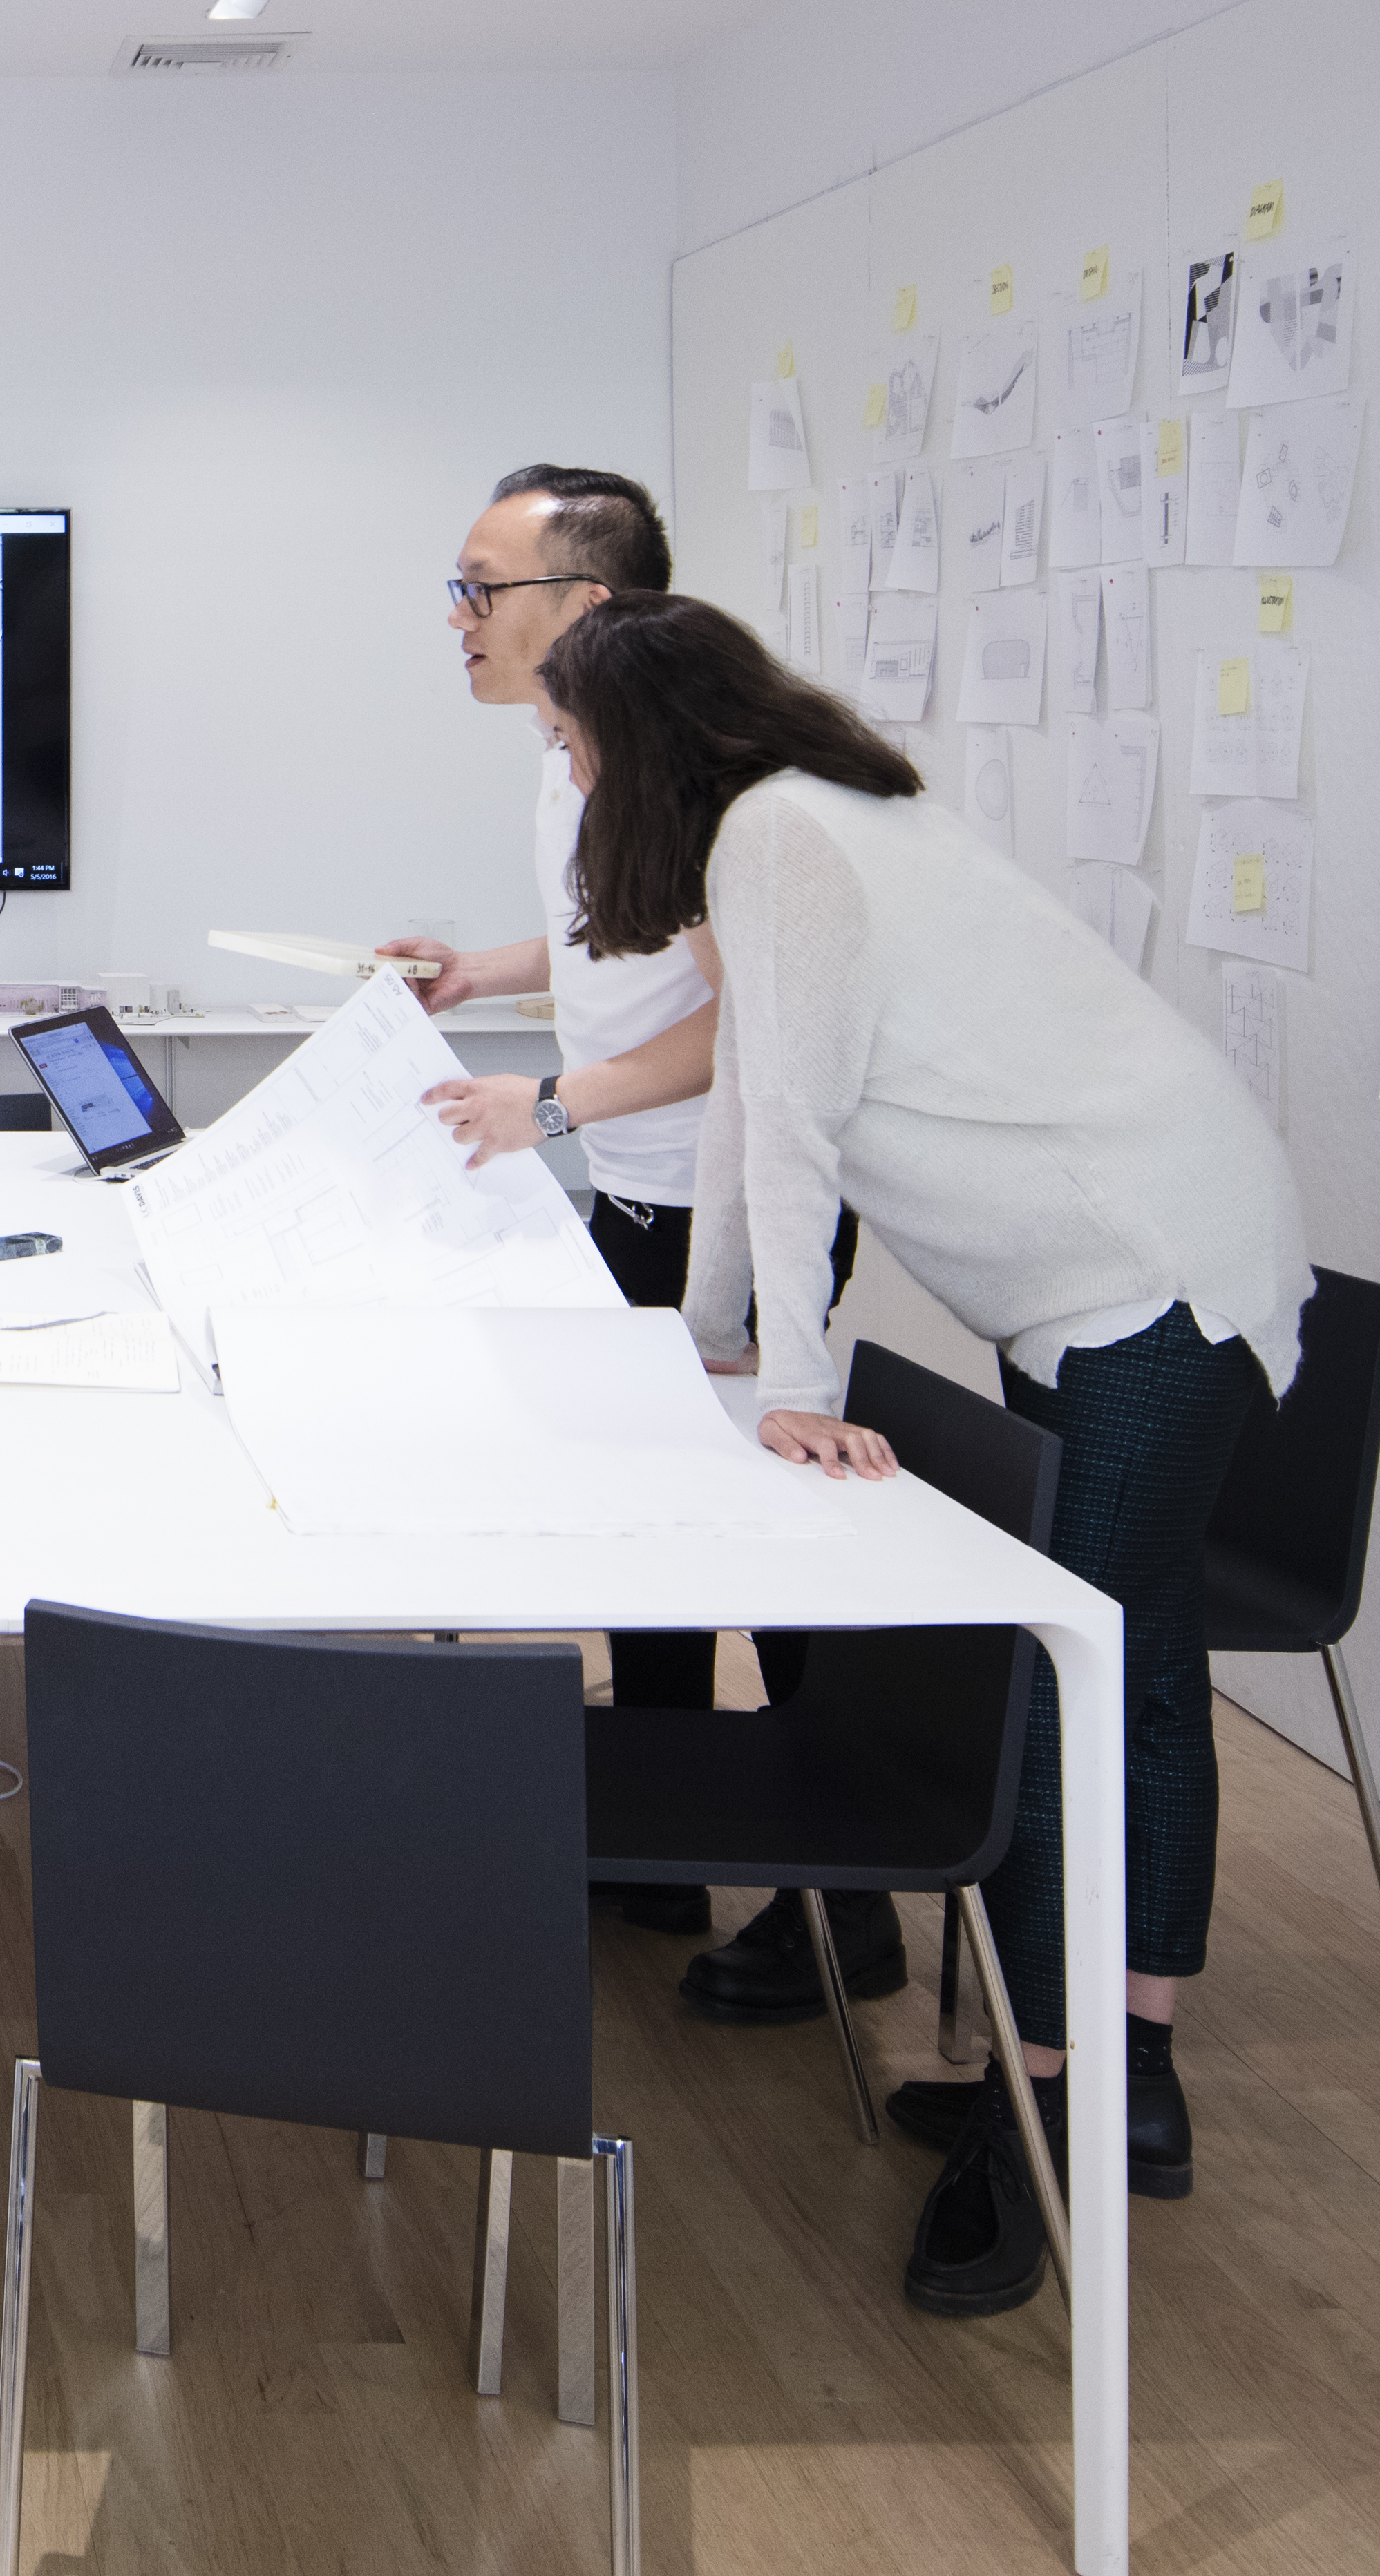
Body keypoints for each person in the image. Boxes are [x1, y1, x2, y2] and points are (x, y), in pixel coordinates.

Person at [532, 592, 1309, 2318]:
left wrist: (790, 1377)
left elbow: (793, 1127)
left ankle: (1050, 2112)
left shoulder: (779, 836)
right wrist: (714, 1332)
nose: (568, 780)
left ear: (642, 749)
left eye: (573, 746)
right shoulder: (800, 818)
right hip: (1114, 1270)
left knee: (1072, 1685)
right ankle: (1118, 2076)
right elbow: (751, 1091)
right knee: (1126, 1671)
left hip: (1151, 1273)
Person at [377, 465, 855, 1996]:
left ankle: (846, 1902)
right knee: (650, 1530)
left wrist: (552, 1102)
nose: (458, 616)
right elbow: (615, 931)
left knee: (773, 1554)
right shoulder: (565, 750)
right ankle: (656, 1851)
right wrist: (481, 971)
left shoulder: (688, 777)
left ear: (584, 605)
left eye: (482, 587)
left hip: (729, 1204)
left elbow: (753, 1017)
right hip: (639, 1190)